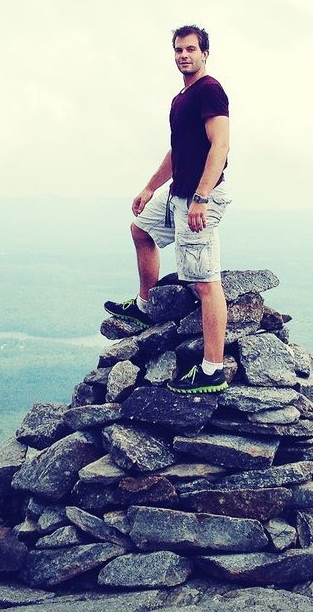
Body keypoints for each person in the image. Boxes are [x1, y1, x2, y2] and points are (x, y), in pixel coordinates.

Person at [104, 25, 231, 394]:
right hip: (178, 193)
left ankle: (212, 369)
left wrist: (201, 197)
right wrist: (150, 187)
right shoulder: (181, 99)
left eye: (191, 49)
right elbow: (178, 153)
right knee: (140, 229)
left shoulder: (210, 91)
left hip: (200, 198)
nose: (183, 55)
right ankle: (145, 306)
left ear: (205, 53)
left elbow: (219, 145)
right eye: (178, 50)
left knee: (204, 282)